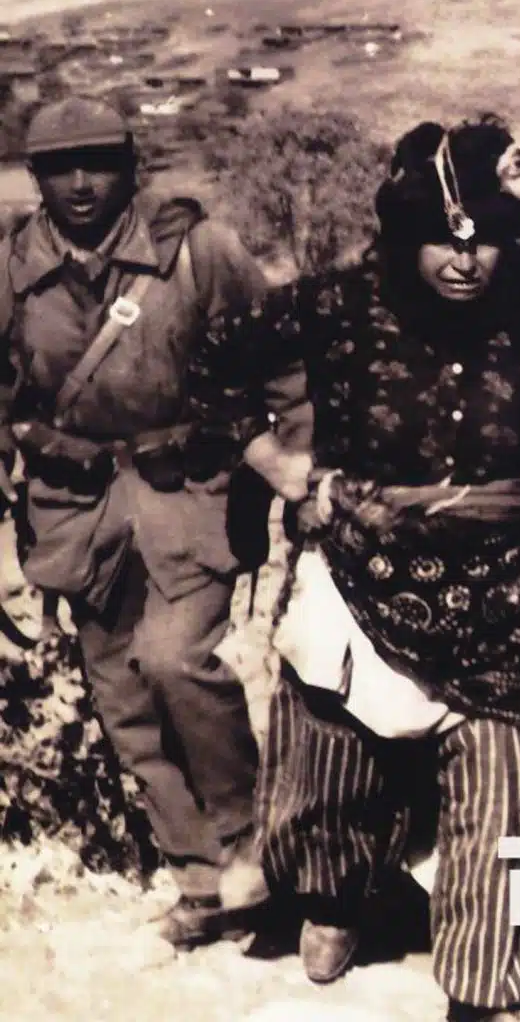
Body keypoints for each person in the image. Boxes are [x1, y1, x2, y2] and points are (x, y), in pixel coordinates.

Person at [187, 114, 520, 1019]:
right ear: (407, 234)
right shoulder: (338, 302)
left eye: (482, 242)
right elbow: (211, 361)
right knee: (329, 766)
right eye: (443, 240)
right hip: (359, 569)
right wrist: (279, 465)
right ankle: (336, 895)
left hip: (510, 580)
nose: (463, 261)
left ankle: (493, 979)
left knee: (508, 764)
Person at [0, 96, 313, 947]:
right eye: (60, 168)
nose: (81, 184)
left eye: (98, 163)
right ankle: (200, 883)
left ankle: (252, 850)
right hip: (76, 511)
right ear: (36, 177)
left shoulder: (199, 253)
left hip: (190, 494)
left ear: (131, 165)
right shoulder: (13, 268)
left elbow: (282, 366)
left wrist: (301, 474)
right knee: (126, 703)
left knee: (177, 661)